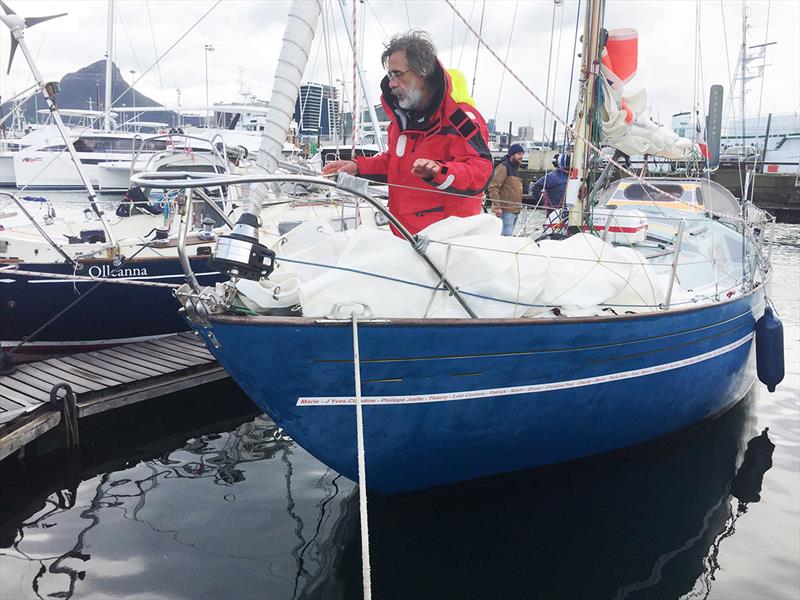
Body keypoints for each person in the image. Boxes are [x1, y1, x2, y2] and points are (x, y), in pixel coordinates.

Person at [321, 31, 493, 236]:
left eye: (398, 74)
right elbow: (394, 163)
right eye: (390, 75)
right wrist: (358, 167)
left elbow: (481, 171)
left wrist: (439, 172)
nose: (392, 83)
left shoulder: (460, 119)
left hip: (445, 242)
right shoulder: (403, 119)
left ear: (423, 72)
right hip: (406, 237)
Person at [488, 143, 525, 235]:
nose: (521, 156)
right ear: (512, 155)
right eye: (519, 154)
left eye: (522, 154)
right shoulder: (503, 167)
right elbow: (493, 187)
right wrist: (497, 207)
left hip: (514, 210)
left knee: (508, 236)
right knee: (505, 237)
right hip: (505, 210)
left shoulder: (516, 168)